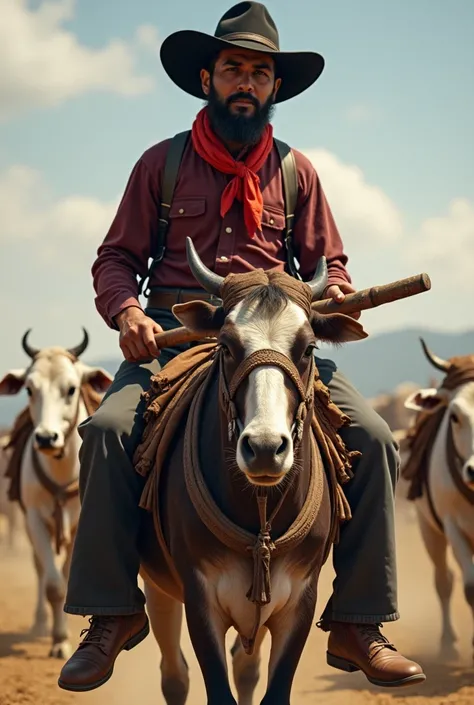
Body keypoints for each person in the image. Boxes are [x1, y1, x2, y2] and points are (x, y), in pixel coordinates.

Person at [58, 1, 425, 693]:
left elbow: (330, 265)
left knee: (375, 436)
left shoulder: (297, 173)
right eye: (234, 68)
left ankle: (359, 620)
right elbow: (115, 258)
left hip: (278, 336)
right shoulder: (160, 166)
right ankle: (109, 613)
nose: (246, 82)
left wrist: (334, 295)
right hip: (178, 334)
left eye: (260, 72)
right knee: (106, 429)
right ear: (207, 77)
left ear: (275, 88)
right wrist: (127, 309)